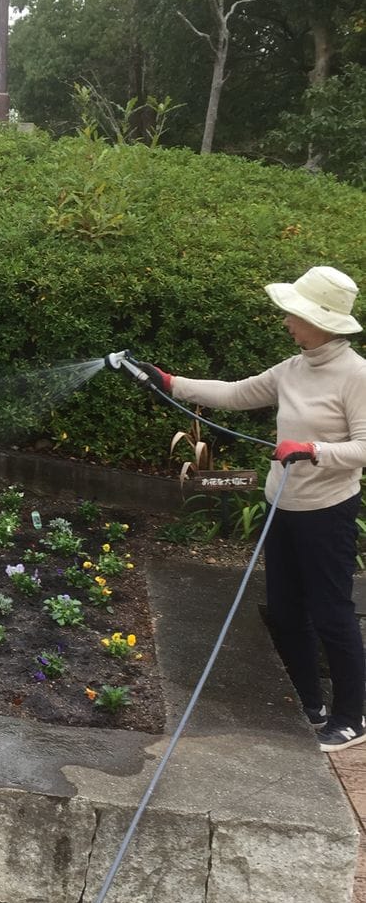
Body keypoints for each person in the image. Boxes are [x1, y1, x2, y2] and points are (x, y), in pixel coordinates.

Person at [137, 266, 366, 753]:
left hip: (327, 512)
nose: (286, 321)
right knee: (285, 611)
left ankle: (352, 717)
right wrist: (171, 382)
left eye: (293, 314)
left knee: (331, 613)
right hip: (282, 504)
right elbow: (237, 392)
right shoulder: (292, 368)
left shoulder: (356, 375)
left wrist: (313, 449)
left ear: (320, 320)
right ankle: (310, 703)